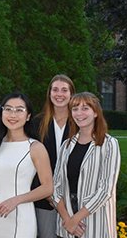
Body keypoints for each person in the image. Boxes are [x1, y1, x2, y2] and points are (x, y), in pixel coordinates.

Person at [0, 92, 53, 238]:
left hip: (22, 216)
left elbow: (48, 188)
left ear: (28, 116)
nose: (12, 114)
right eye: (8, 109)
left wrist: (16, 200)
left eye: (19, 110)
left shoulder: (35, 148)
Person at [53, 92, 121, 238]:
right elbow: (56, 186)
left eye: (85, 108)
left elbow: (105, 190)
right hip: (67, 225)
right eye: (75, 108)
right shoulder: (66, 145)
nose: (79, 113)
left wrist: (76, 219)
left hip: (95, 223)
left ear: (95, 112)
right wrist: (68, 220)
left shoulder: (109, 144)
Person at [32, 75, 75, 238]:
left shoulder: (79, 123)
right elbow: (31, 164)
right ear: (49, 93)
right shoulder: (37, 123)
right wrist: (48, 193)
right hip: (45, 200)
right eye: (55, 89)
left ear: (71, 94)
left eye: (65, 90)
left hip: (72, 199)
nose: (59, 94)